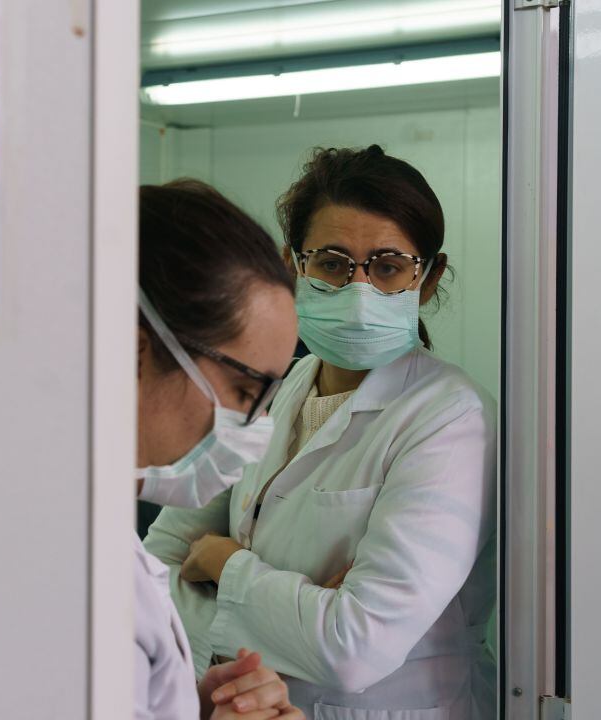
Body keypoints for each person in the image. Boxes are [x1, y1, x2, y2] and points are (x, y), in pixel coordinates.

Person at [144, 146, 497, 720]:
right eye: (333, 262)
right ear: (293, 266)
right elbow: (155, 573)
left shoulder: (451, 419)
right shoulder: (279, 385)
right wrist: (304, 607)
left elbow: (353, 648)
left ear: (426, 280)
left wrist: (224, 562)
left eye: (387, 266)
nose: (360, 290)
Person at [133, 180, 304, 720]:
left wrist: (189, 704)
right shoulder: (67, 573)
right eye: (245, 392)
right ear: (132, 348)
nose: (255, 428)